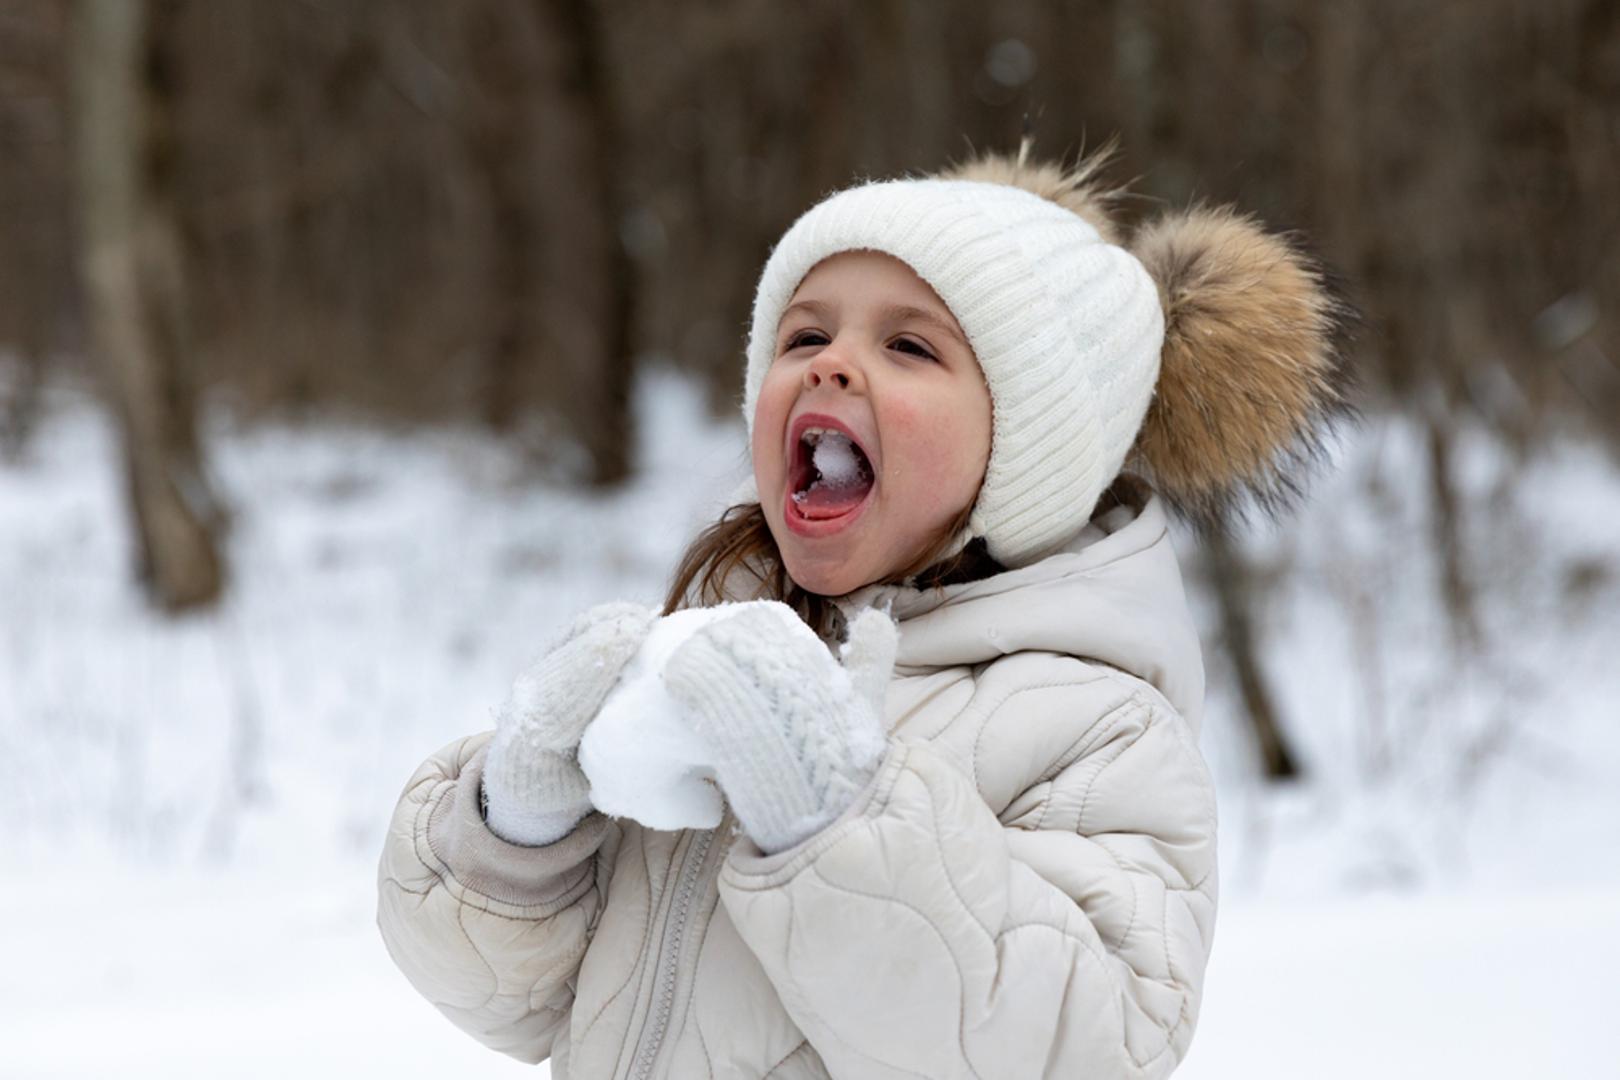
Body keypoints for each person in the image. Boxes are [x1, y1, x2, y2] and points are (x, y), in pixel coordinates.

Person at [376, 135, 1356, 1079]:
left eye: (909, 346)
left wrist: (836, 820)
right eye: (805, 333)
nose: (832, 364)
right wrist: (517, 831)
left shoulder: (1097, 730)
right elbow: (526, 1005)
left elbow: (1085, 1049)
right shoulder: (716, 653)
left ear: (1030, 449)